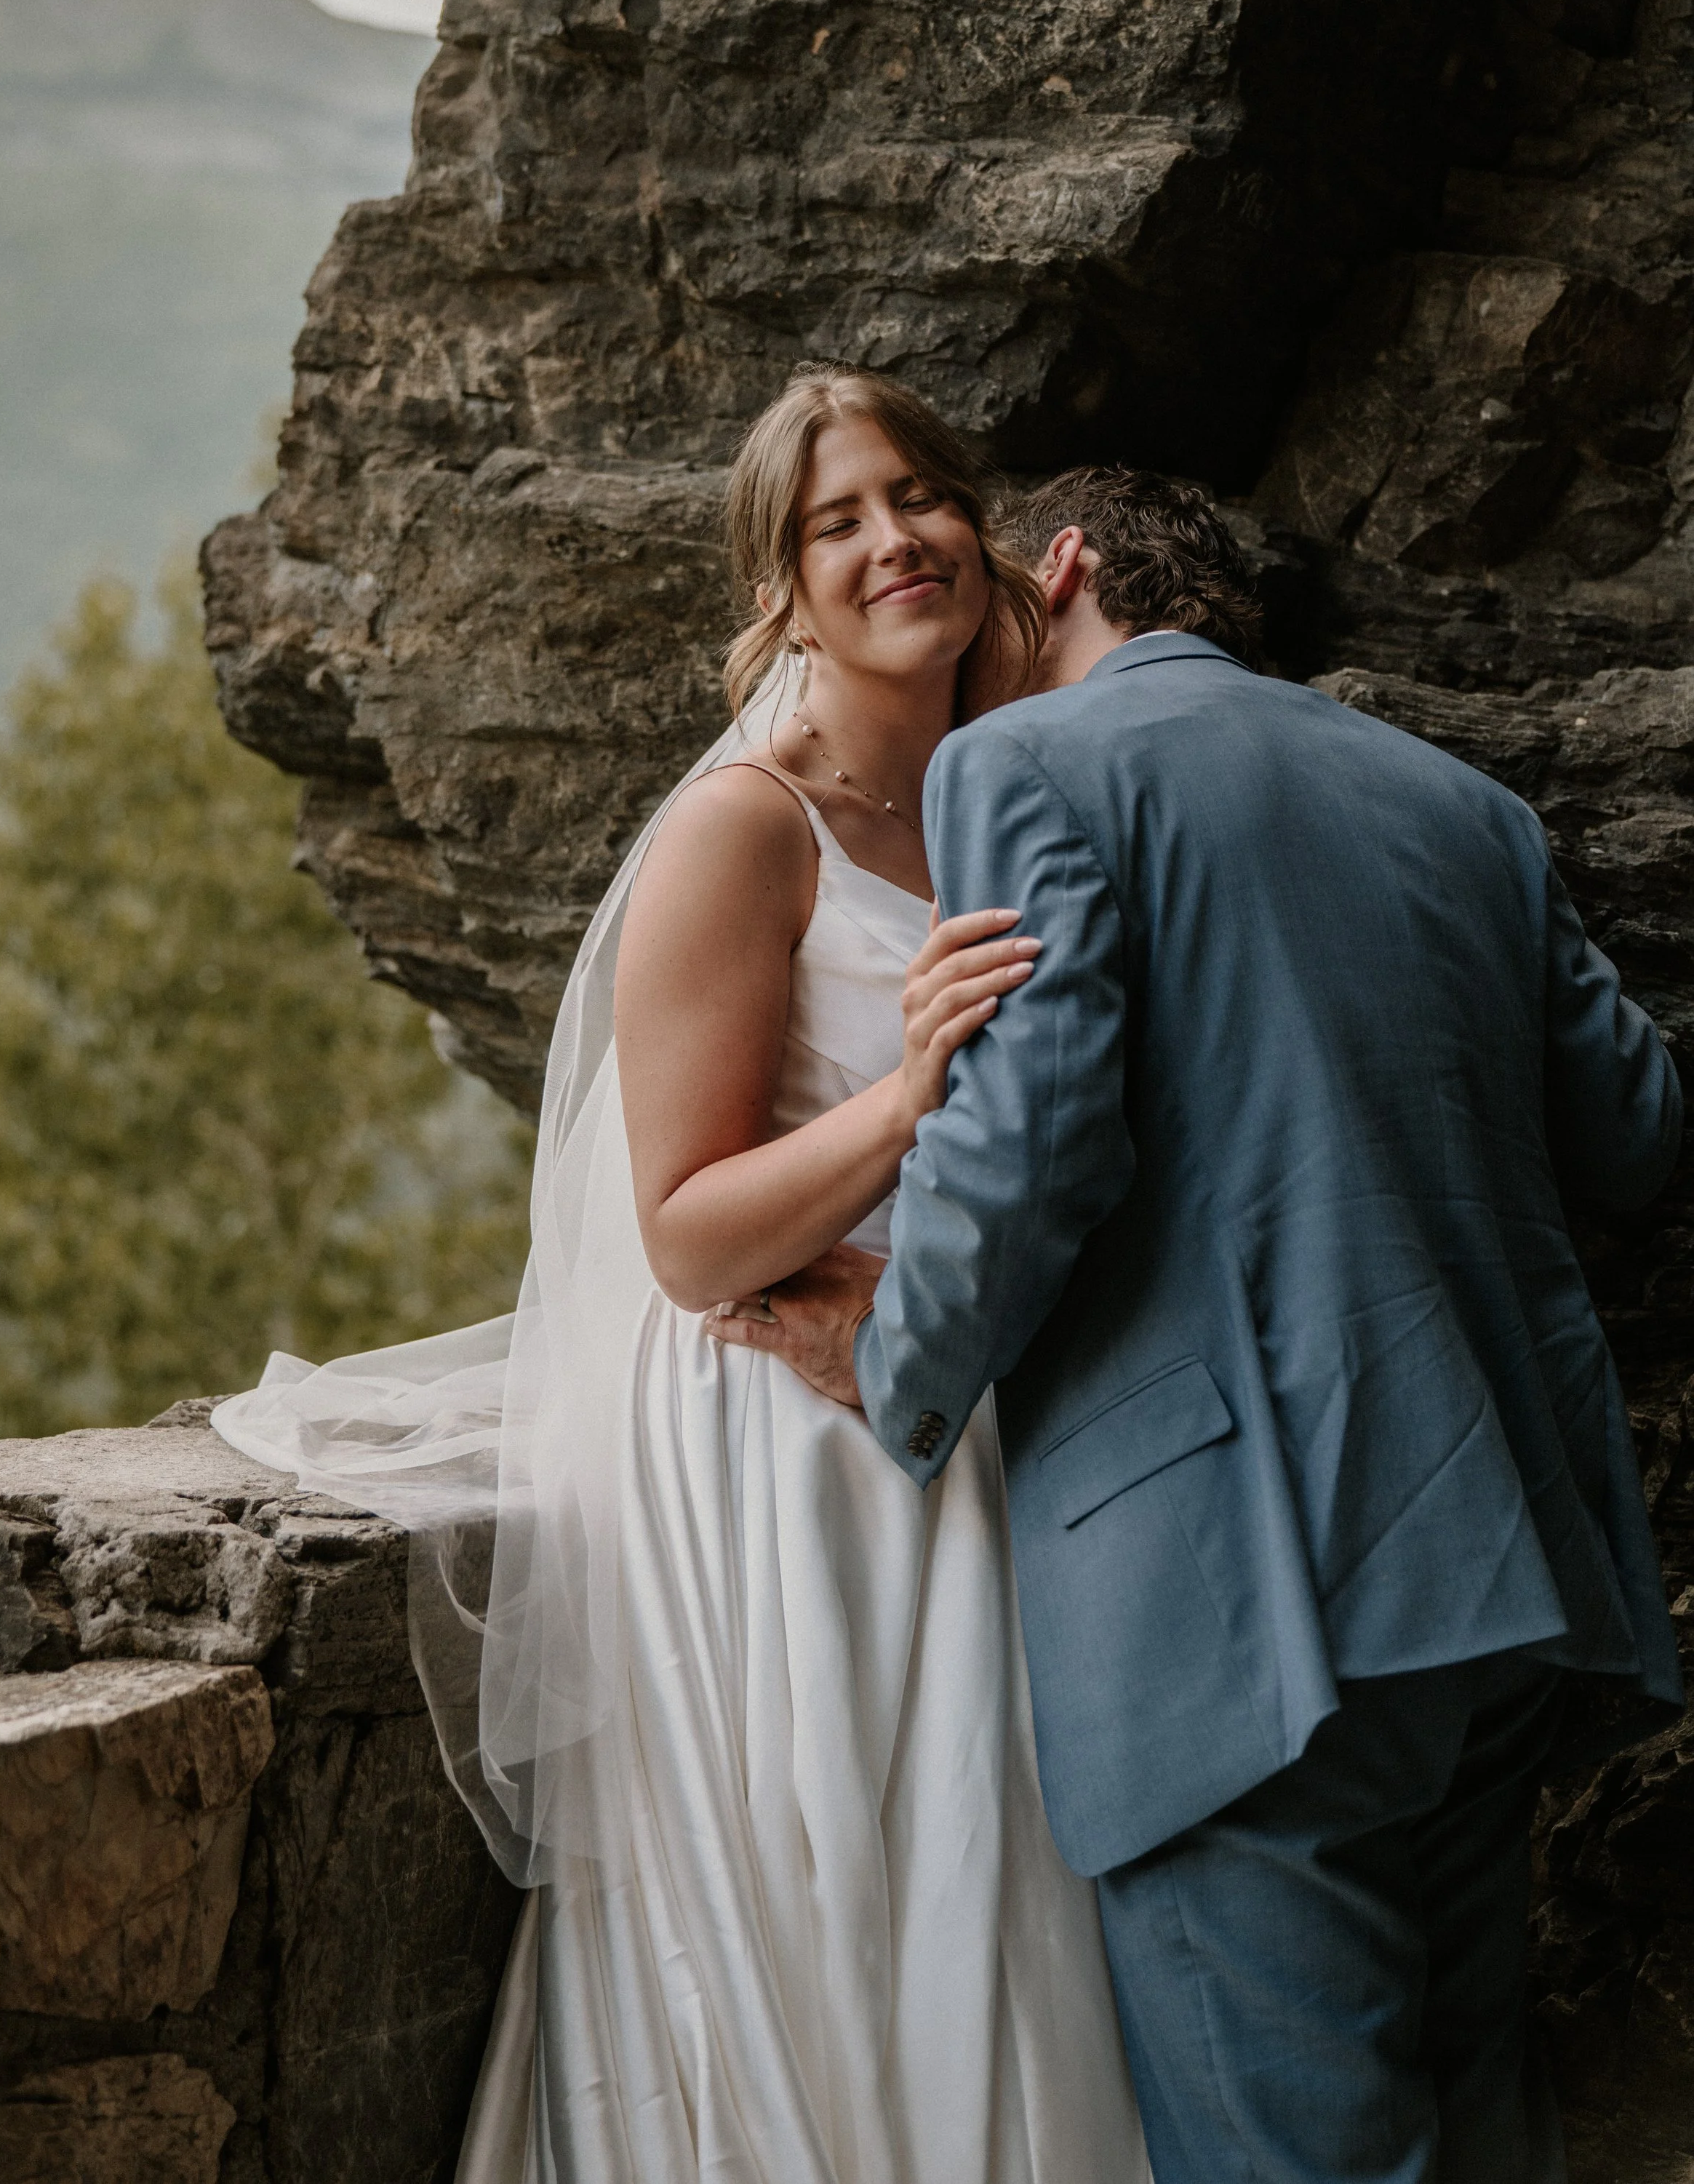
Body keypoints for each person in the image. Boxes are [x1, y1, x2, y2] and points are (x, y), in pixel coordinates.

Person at [212, 373, 1151, 2184]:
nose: (895, 541)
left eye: (921, 497)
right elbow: (687, 1228)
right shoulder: (745, 824)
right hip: (772, 1408)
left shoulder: (1006, 778)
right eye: (837, 522)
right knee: (858, 1872)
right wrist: (907, 1093)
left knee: (991, 1859)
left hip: (945, 1370)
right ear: (780, 591)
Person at [713, 463, 1685, 2184]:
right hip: (1513, 1571)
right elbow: (1636, 1131)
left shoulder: (1015, 763)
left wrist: (891, 1358)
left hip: (1249, 1592)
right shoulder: (1463, 805)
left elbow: (1033, 1137)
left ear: (1062, 565)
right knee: (1478, 2137)